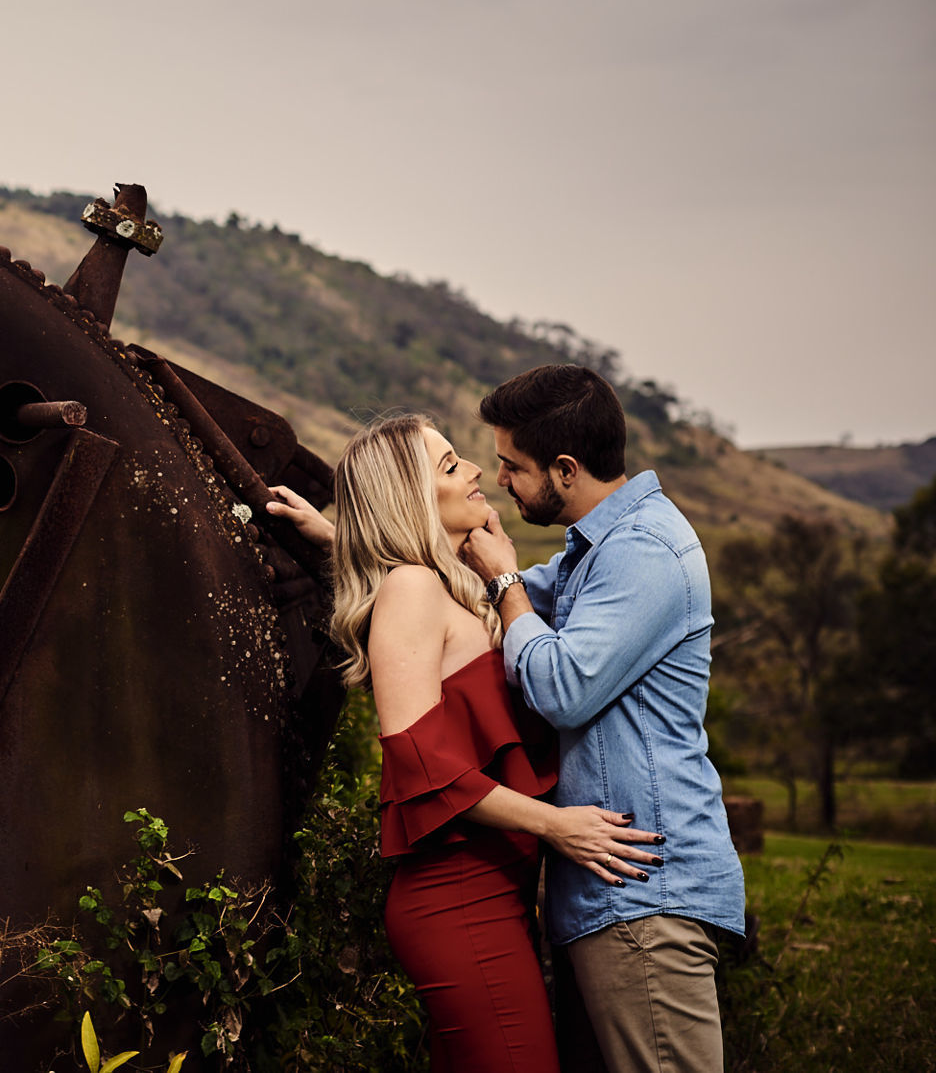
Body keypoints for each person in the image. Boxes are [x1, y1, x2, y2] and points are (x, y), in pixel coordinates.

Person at [266, 413, 662, 1073]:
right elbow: (419, 756)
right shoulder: (413, 589)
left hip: (493, 894)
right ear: (411, 500)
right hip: (457, 896)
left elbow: (406, 588)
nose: (477, 470)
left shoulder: (450, 588)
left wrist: (334, 535)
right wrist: (557, 826)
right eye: (450, 466)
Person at [456, 364, 745, 1072]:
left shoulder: (643, 550)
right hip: (613, 896)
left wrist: (502, 582)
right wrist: (341, 539)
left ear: (564, 468)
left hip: (646, 892)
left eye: (511, 466)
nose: (499, 482)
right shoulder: (596, 551)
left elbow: (559, 685)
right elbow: (481, 596)